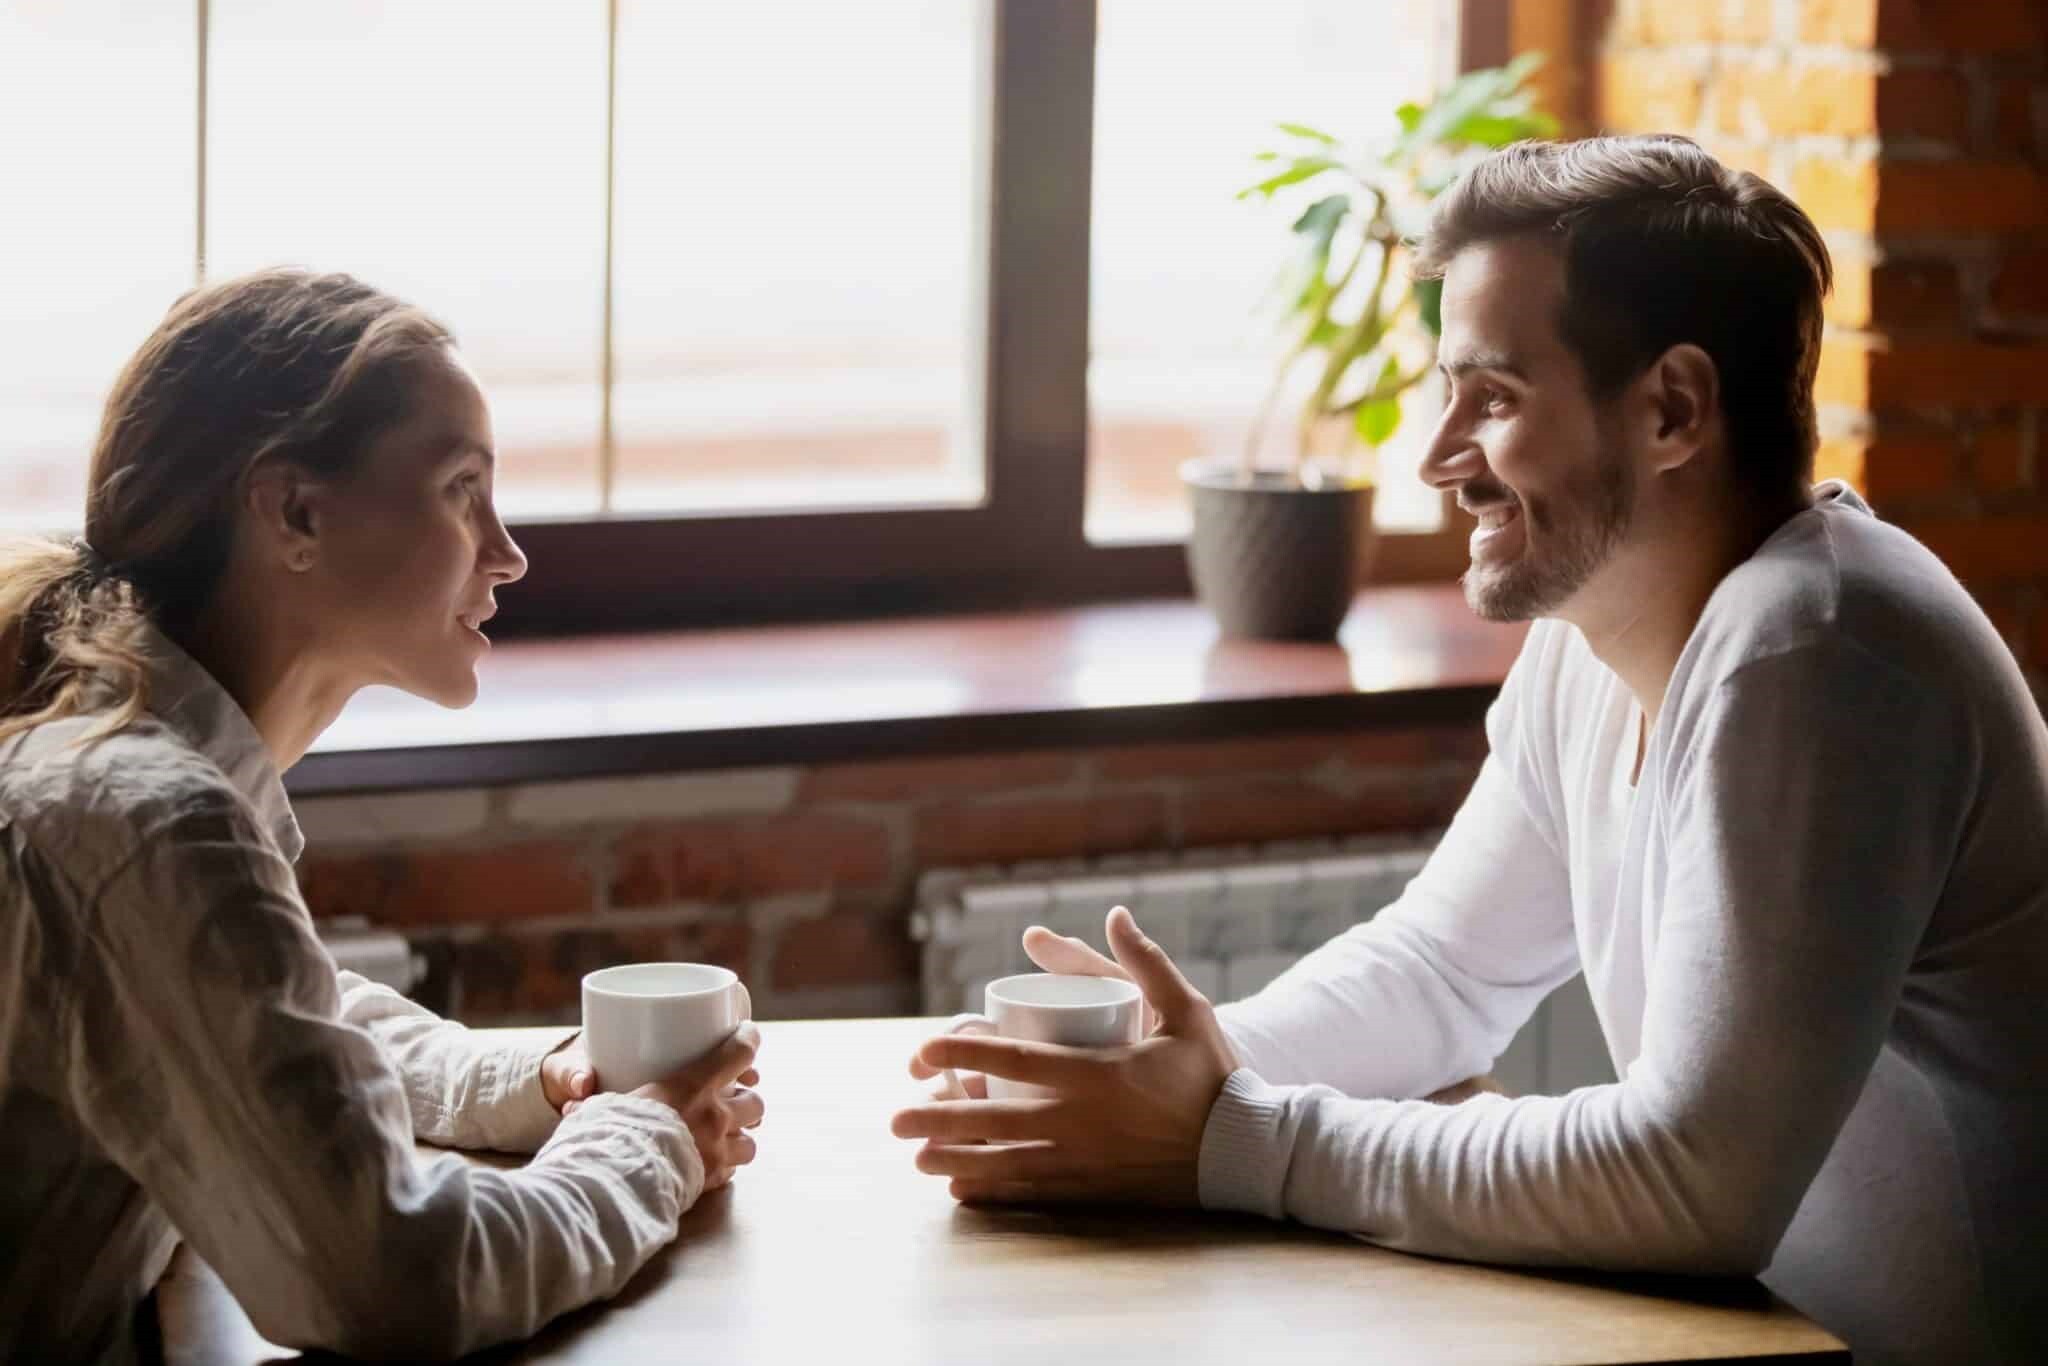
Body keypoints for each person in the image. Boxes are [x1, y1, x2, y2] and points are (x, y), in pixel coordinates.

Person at [893, 135, 2048, 1364]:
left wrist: (1222, 1136)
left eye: (1492, 398)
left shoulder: (1813, 649)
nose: (1435, 455)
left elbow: (1693, 1181)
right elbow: (1440, 970)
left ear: (1669, 410)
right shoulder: (1595, 634)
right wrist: (1157, 1077)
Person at [0, 269, 765, 1362]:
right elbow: (393, 1277)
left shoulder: (127, 774)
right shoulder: (150, 824)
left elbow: (254, 1015)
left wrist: (532, 1084)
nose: (506, 551)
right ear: (295, 512)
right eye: (461, 487)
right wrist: (642, 1143)